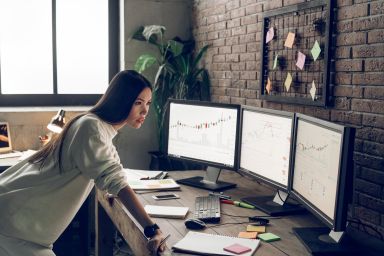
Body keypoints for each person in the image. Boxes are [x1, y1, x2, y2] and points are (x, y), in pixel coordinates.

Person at [0, 70, 166, 255]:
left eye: (148, 103)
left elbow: (113, 177)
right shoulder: (91, 128)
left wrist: (115, 190)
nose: (145, 111)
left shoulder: (97, 129)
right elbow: (116, 181)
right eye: (138, 103)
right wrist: (153, 229)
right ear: (121, 100)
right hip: (13, 227)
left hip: (21, 226)